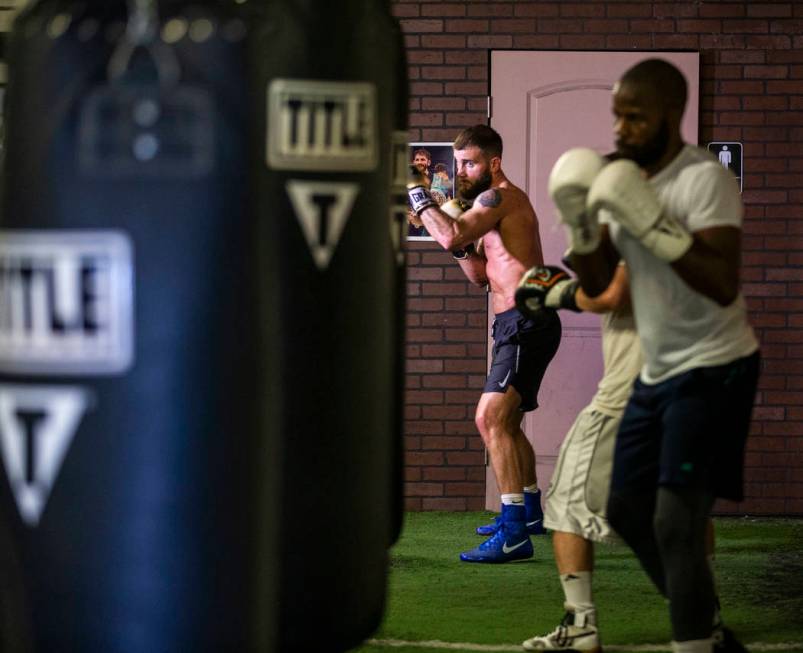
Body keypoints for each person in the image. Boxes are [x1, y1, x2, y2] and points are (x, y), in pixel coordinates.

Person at [550, 59, 759, 653]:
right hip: (658, 368)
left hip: (716, 366)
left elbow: (721, 282)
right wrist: (582, 225)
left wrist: (651, 220)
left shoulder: (702, 181)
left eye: (635, 117)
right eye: (617, 115)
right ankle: (709, 629)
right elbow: (595, 280)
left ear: (671, 115)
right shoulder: (618, 175)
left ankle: (693, 641)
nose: (622, 129)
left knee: (676, 522)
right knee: (626, 508)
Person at [515, 262, 746, 653]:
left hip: (631, 399)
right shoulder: (699, 235)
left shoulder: (637, 219)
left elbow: (614, 294)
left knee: (567, 506)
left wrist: (556, 294)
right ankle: (705, 616)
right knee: (685, 506)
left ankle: (580, 625)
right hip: (698, 391)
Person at [407, 124, 561, 563]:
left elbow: (452, 234)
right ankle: (529, 514)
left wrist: (418, 196)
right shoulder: (484, 204)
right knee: (508, 424)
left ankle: (514, 534)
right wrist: (454, 242)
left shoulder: (500, 197)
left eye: (470, 163)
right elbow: (478, 273)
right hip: (515, 324)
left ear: (493, 163)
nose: (461, 171)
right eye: (457, 164)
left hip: (527, 322)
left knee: (489, 419)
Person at [408, 148, 433, 237]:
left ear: (428, 162)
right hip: (411, 226)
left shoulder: (437, 180)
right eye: (417, 160)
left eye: (422, 159)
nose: (419, 162)